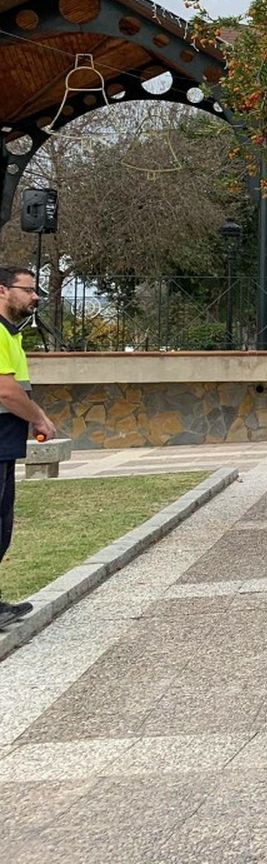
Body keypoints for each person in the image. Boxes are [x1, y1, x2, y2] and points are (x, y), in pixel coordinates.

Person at [0, 266, 55, 631]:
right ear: (3, 290)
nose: (35, 296)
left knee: (2, 527)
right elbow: (4, 389)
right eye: (28, 289)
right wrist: (39, 418)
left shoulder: (11, 333)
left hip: (5, 441)